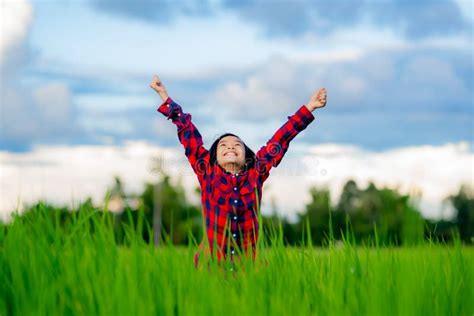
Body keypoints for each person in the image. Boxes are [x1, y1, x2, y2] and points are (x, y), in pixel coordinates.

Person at [150, 75, 327, 269]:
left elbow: (281, 138)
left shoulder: (256, 172)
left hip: (249, 268)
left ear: (246, 156)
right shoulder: (206, 171)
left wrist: (309, 107)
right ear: (214, 157)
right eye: (223, 145)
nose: (231, 147)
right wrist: (164, 96)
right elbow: (187, 131)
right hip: (211, 267)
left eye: (237, 145)